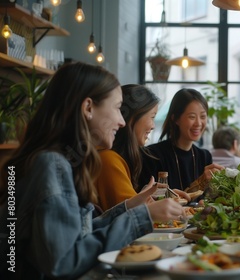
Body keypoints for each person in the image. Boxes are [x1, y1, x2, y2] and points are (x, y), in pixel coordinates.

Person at [0, 62, 186, 280]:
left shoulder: (58, 160)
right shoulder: (52, 164)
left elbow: (78, 234)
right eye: (117, 108)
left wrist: (130, 207)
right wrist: (142, 217)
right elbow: (63, 262)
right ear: (88, 108)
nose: (122, 121)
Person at [94, 84, 190, 212]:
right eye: (152, 117)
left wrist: (161, 198)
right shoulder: (108, 159)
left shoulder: (116, 157)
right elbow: (131, 216)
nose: (153, 126)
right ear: (133, 117)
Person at [139, 88, 224, 193]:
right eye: (192, 117)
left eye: (203, 116)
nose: (198, 123)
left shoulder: (204, 157)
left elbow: (207, 200)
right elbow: (150, 201)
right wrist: (200, 183)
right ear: (175, 119)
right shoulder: (152, 155)